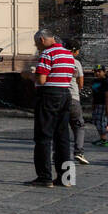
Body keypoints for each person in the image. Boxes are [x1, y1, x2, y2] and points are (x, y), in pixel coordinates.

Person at [29, 29, 74, 187]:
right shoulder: (68, 54)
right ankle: (66, 178)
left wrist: (29, 75)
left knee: (43, 136)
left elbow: (41, 79)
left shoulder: (47, 54)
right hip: (65, 94)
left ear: (42, 39)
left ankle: (44, 177)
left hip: (49, 95)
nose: (36, 46)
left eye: (36, 43)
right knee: (63, 137)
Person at [65, 42, 88, 165]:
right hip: (73, 98)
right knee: (79, 126)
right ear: (75, 51)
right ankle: (79, 152)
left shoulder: (58, 60)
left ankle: (58, 153)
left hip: (58, 98)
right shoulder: (76, 63)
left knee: (60, 127)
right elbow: (81, 82)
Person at [91, 66, 108, 145]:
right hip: (97, 104)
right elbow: (94, 94)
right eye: (96, 71)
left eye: (99, 71)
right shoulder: (95, 81)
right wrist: (93, 104)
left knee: (100, 122)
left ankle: (103, 139)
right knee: (95, 121)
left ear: (104, 72)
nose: (97, 73)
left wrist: (107, 108)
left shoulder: (106, 81)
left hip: (104, 104)